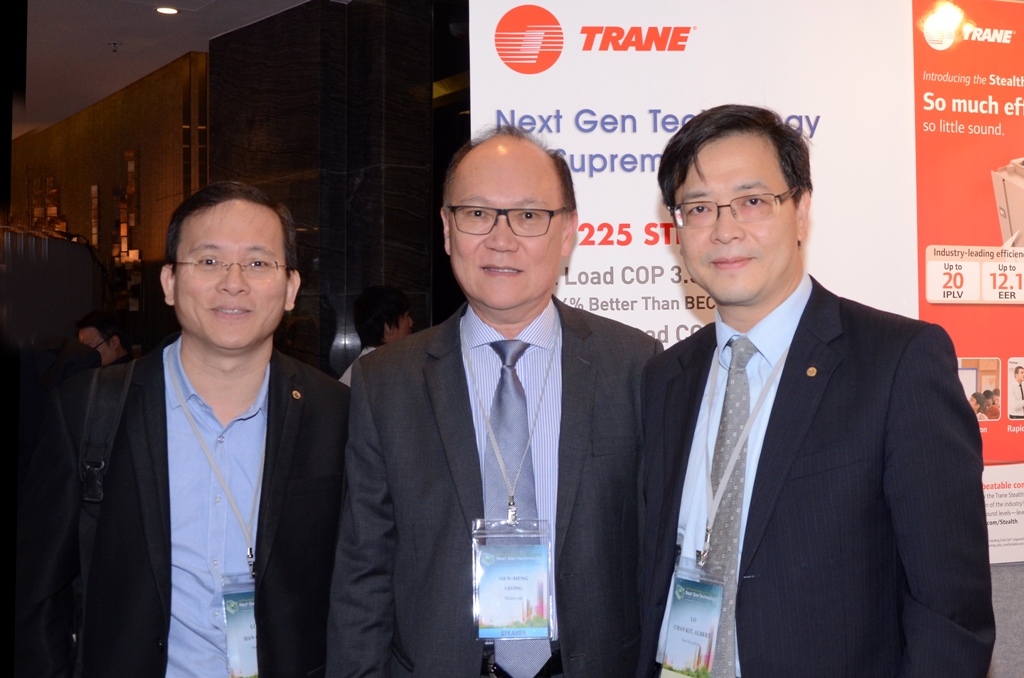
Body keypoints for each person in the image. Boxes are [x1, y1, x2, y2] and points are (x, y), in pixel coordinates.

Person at [637, 105, 994, 678]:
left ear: (801, 210)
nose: (725, 230)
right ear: (677, 229)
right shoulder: (666, 377)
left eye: (753, 201)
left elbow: (950, 612)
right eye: (699, 208)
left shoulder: (898, 362)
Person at [328, 126, 661, 678]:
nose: (501, 239)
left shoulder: (635, 364)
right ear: (446, 228)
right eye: (477, 214)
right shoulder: (386, 382)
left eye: (529, 215)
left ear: (568, 233)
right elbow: (364, 571)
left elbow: (658, 554)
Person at [15, 182, 350, 677]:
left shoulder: (336, 413)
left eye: (258, 262)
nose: (233, 283)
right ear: (169, 281)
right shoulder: (90, 406)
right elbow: (38, 593)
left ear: (291, 288)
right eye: (209, 261)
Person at [339, 285, 413, 386]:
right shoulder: (383, 370)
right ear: (389, 327)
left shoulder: (363, 367)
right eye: (406, 316)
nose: (411, 323)